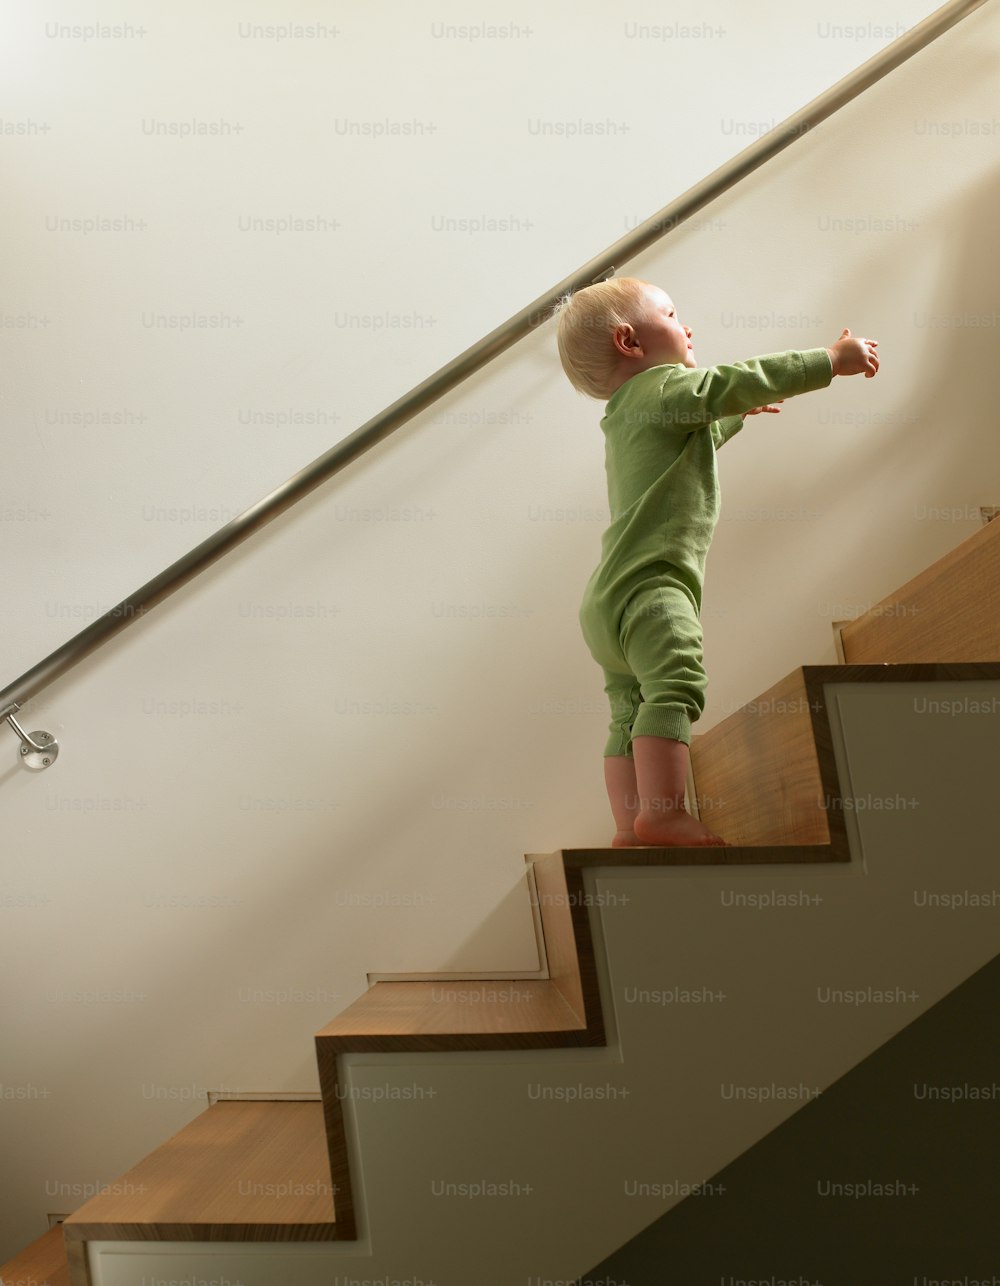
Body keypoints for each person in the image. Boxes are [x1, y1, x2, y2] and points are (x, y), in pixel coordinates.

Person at [555, 277, 879, 847]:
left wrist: (734, 416)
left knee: (628, 710)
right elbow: (731, 383)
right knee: (676, 684)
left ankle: (628, 826)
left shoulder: (629, 414)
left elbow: (684, 445)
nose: (687, 326)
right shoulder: (662, 387)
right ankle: (663, 813)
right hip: (653, 588)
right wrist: (828, 360)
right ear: (630, 342)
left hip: (607, 601)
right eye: (674, 313)